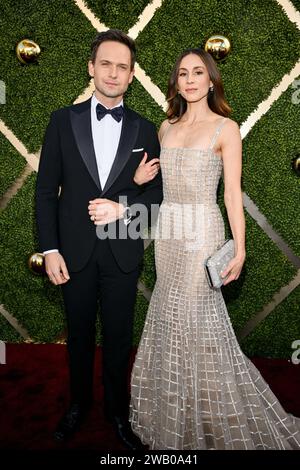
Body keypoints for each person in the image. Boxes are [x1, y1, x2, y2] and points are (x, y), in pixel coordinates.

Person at [129, 48, 300, 450]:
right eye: (183, 73)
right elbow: (157, 187)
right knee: (171, 320)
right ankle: (176, 415)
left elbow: (233, 196)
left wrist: (239, 248)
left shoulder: (227, 129)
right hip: (168, 233)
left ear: (211, 80)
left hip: (202, 232)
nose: (189, 80)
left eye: (198, 73)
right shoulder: (165, 127)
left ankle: (214, 415)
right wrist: (138, 180)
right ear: (177, 82)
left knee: (198, 321)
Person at [35, 29, 162, 450]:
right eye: (105, 63)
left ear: (131, 76)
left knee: (120, 337)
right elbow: (45, 190)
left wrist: (124, 206)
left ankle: (118, 414)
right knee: (79, 335)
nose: (113, 72)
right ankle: (78, 406)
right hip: (72, 251)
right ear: (91, 68)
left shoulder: (145, 130)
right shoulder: (60, 121)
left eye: (122, 67)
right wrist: (50, 249)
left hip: (123, 249)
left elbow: (158, 196)